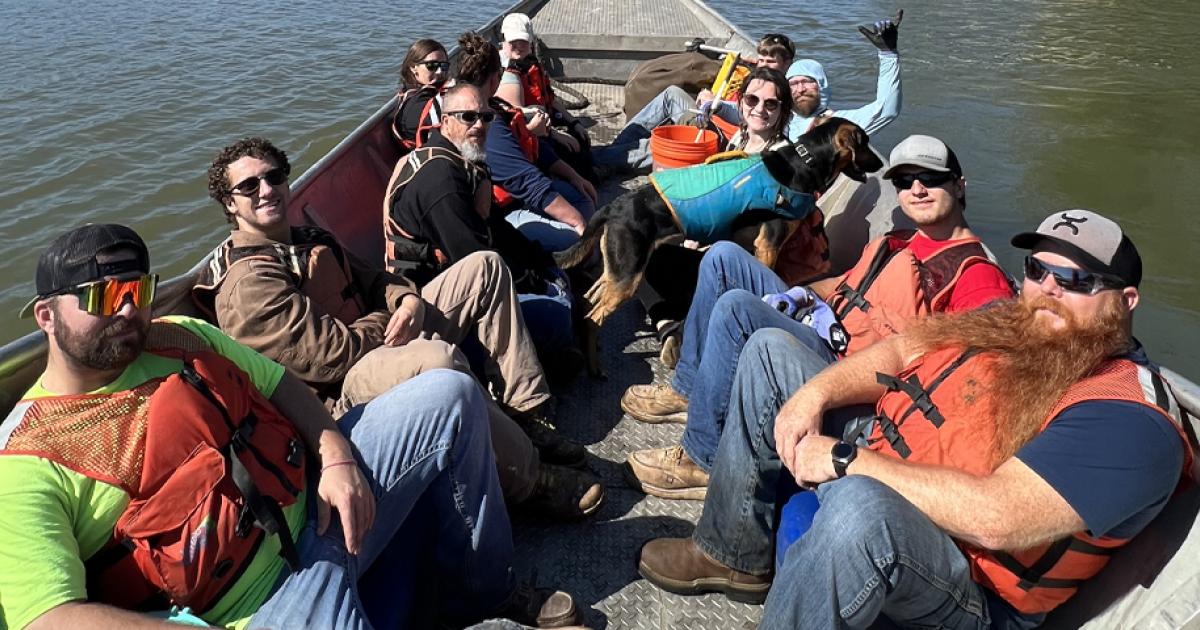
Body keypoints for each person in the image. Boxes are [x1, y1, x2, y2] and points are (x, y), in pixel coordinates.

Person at [637, 209, 1197, 630]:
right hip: (907, 463)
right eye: (1037, 270)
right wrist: (815, 393)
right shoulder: (1014, 322)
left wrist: (843, 459)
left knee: (862, 509)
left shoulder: (1130, 418)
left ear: (1126, 302)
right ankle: (732, 554)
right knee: (769, 349)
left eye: (1077, 281)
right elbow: (902, 351)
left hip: (969, 583)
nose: (1048, 290)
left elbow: (996, 518)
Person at [0, 224, 583, 629]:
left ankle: (481, 590)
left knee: (450, 393)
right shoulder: (28, 457)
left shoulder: (181, 336)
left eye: (140, 290)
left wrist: (336, 456)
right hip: (261, 605)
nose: (129, 310)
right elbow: (46, 616)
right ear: (47, 315)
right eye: (105, 296)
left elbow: (279, 386)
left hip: (319, 505)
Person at [194, 137, 602, 520]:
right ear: (230, 205)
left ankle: (526, 414)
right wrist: (393, 320)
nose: (266, 189)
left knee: (485, 268)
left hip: (377, 341)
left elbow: (376, 280)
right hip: (341, 391)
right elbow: (330, 357)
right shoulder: (248, 283)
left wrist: (406, 300)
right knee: (437, 359)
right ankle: (529, 482)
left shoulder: (306, 238)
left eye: (273, 176)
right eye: (249, 186)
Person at [622, 135, 1014, 501]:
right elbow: (843, 286)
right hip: (825, 327)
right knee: (723, 257)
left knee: (737, 308)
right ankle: (687, 392)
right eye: (905, 180)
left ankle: (702, 460)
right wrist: (798, 295)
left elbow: (964, 383)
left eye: (931, 178)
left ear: (960, 185)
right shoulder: (899, 241)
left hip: (850, 374)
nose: (916, 189)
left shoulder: (976, 277)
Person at [385, 82, 580, 361]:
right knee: (559, 315)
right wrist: (537, 283)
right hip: (433, 306)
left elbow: (498, 229)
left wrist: (543, 263)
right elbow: (479, 263)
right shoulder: (443, 183)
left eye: (486, 117)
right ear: (446, 121)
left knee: (558, 277)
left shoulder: (465, 161)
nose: (479, 125)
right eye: (468, 116)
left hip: (470, 276)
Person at [457, 31, 597, 253]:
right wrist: (578, 223)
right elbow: (526, 182)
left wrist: (574, 177)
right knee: (578, 237)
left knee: (583, 198)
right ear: (496, 77)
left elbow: (536, 148)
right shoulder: (482, 123)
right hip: (500, 214)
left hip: (519, 198)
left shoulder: (495, 106)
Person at [592, 33, 796, 172]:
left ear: (787, 64)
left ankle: (595, 159)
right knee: (672, 93)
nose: (763, 65)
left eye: (771, 62)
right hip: (710, 119)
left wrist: (718, 106)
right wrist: (710, 98)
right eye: (761, 59)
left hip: (718, 141)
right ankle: (615, 151)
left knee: (662, 146)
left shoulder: (781, 96)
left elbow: (752, 117)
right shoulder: (757, 80)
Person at [496, 13, 596, 184]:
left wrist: (573, 122)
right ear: (504, 41)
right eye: (513, 42)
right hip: (528, 134)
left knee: (581, 139)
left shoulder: (531, 64)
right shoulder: (508, 76)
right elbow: (519, 120)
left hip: (544, 122)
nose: (519, 46)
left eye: (524, 41)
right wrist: (556, 135)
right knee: (573, 152)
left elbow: (551, 100)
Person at [784, 9, 903, 139]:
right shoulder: (777, 119)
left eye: (807, 81)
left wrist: (888, 55)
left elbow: (886, 110)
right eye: (793, 84)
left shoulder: (839, 124)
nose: (800, 89)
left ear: (821, 86)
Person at [392, 38, 451, 149]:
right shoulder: (415, 105)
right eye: (431, 66)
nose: (439, 72)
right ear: (414, 67)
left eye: (444, 66)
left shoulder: (429, 92)